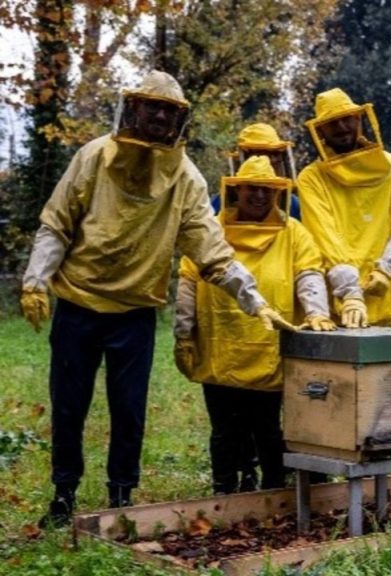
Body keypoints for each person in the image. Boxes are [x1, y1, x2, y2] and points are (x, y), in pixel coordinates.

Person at [20, 71, 295, 528]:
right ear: (135, 108)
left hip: (134, 313)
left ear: (179, 118)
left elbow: (211, 249)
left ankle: (121, 497)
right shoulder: (93, 157)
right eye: (154, 106)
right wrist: (35, 280)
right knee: (69, 406)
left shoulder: (184, 178)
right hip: (78, 307)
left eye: (170, 109)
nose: (161, 115)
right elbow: (56, 224)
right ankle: (63, 495)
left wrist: (254, 300)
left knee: (129, 409)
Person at [174, 155, 335, 494]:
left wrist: (317, 311)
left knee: (268, 429)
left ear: (277, 193)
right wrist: (184, 332)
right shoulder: (212, 229)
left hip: (269, 350)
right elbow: (188, 280)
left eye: (267, 190)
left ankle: (273, 491)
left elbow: (308, 274)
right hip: (221, 347)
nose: (259, 196)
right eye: (252, 189)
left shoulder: (294, 232)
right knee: (224, 429)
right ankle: (224, 491)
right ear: (237, 190)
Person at [296, 88, 391, 328]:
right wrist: (349, 291)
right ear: (320, 131)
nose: (341, 128)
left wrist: (386, 270)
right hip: (334, 303)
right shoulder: (311, 177)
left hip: (381, 296)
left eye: (346, 119)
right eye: (332, 123)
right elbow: (325, 236)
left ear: (359, 119)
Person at [215, 123, 302, 220]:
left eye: (275, 153)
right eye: (263, 153)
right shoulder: (220, 203)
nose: (272, 159)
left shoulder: (292, 204)